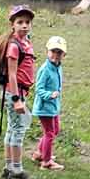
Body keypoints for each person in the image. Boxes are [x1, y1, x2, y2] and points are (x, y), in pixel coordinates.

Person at [0, 5, 38, 179]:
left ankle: (9, 167)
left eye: (27, 22)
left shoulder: (25, 42)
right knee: (18, 130)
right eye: (20, 22)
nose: (24, 25)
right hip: (15, 92)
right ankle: (17, 171)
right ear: (12, 24)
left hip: (20, 92)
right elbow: (11, 74)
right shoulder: (13, 46)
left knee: (13, 128)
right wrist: (16, 99)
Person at [33, 36, 67, 171]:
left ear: (64, 54)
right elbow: (38, 89)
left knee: (55, 130)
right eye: (53, 51)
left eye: (59, 52)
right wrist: (49, 95)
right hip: (44, 107)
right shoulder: (45, 69)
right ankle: (46, 162)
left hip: (53, 106)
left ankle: (39, 153)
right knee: (50, 133)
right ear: (47, 51)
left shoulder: (57, 67)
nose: (56, 55)